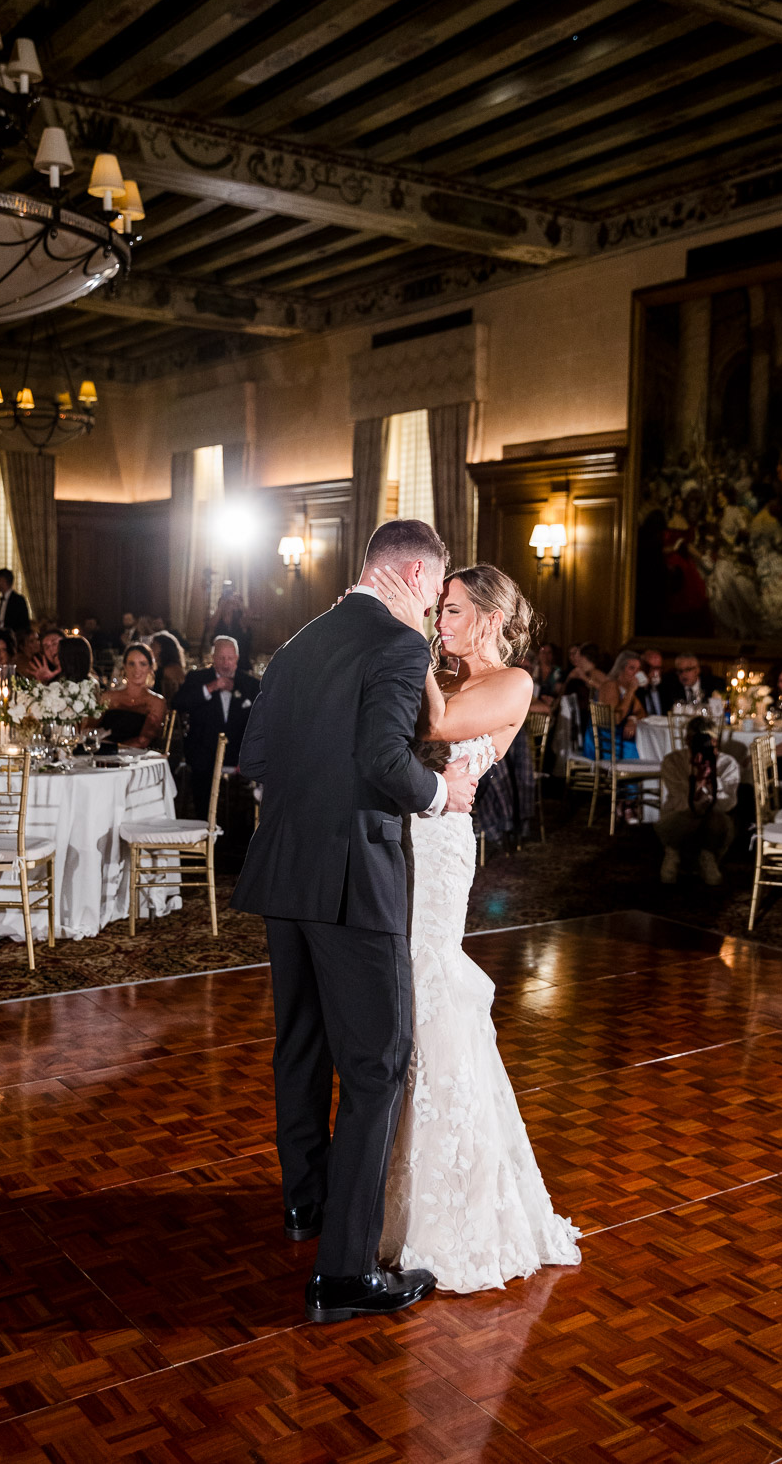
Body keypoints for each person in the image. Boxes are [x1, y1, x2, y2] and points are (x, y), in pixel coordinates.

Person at [231, 518, 479, 1325]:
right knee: (376, 1067)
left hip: (285, 872)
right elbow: (380, 759)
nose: (432, 612)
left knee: (299, 1045)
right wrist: (443, 795)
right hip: (354, 882)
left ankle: (306, 1204)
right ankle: (343, 1275)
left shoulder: (302, 640)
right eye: (435, 593)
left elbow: (256, 757)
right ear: (411, 576)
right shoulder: (399, 647)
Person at [369, 559, 581, 1292]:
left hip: (439, 855)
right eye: (438, 610)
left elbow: (436, 725)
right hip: (395, 843)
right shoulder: (441, 668)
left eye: (453, 611)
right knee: (399, 1006)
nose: (440, 623)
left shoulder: (510, 684)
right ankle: (386, 1194)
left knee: (433, 1001)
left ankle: (451, 1204)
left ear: (492, 618)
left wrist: (401, 636)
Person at [174, 634, 260, 815]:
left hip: (238, 752)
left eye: (230, 658)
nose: (226, 663)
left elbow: (261, 718)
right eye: (221, 658)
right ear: (213, 658)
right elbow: (178, 703)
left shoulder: (250, 684)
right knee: (201, 769)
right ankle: (204, 825)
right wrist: (211, 687)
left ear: (236, 659)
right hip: (203, 750)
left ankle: (242, 831)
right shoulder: (197, 678)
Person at [656, 717, 740, 887]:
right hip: (679, 822)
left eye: (712, 743)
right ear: (688, 741)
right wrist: (698, 784)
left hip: (712, 824)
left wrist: (712, 786)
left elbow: (729, 804)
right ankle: (672, 854)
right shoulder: (673, 761)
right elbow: (681, 802)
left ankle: (707, 857)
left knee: (719, 818)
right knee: (686, 814)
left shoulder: (727, 763)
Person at [98, 641, 165, 748]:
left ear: (150, 668)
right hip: (101, 754)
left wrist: (114, 749)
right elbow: (90, 730)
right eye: (131, 663)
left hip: (137, 758)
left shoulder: (156, 702)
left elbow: (144, 740)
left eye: (142, 664)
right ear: (124, 666)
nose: (136, 669)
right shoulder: (108, 697)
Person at [211, 592, 253, 672]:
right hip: (221, 662)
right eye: (228, 603)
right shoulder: (219, 620)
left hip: (241, 661)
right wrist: (221, 606)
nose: (230, 605)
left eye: (232, 603)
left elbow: (249, 620)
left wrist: (240, 604)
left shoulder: (240, 618)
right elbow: (211, 626)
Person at [150, 630, 187, 702]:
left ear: (164, 648)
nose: (150, 648)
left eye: (153, 645)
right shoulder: (160, 667)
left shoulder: (171, 669)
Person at [0, 569, 30, 634]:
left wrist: (0, 625)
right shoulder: (2, 599)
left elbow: (22, 625)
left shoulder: (18, 600)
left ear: (3, 581)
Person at [637, 648, 672, 717]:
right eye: (650, 668)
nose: (654, 673)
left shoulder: (667, 686)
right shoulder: (636, 689)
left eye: (658, 668)